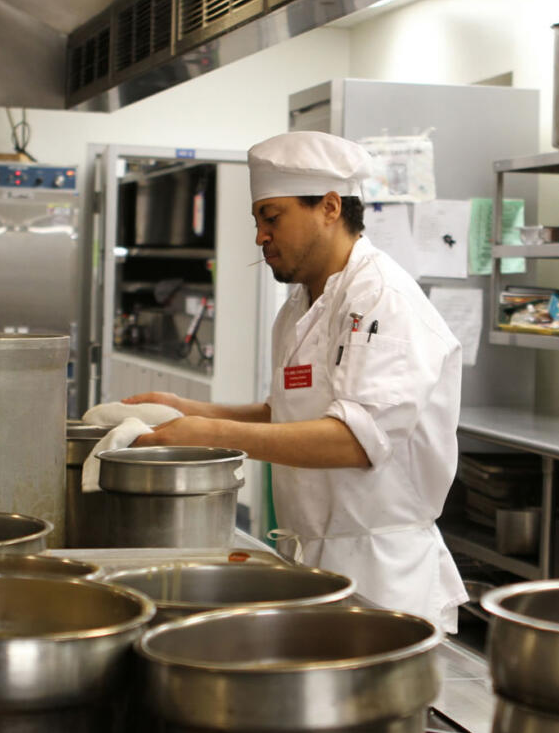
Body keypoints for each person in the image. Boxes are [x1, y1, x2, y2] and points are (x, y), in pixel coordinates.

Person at [125, 131, 468, 632]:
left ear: (329, 207)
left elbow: (354, 440)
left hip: (380, 574)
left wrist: (212, 436)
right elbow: (286, 416)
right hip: (315, 562)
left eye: (272, 217)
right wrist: (188, 409)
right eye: (258, 220)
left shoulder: (381, 299)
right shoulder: (302, 305)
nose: (261, 236)